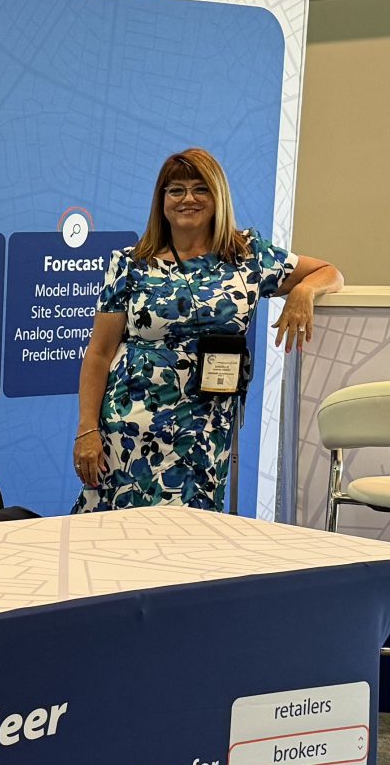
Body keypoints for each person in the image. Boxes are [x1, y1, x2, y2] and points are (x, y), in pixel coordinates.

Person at [72, 147, 341, 513]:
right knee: (120, 530)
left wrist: (304, 291)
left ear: (218, 197)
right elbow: (99, 352)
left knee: (195, 535)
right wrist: (87, 429)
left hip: (207, 428)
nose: (188, 199)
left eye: (200, 189)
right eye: (176, 190)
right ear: (162, 201)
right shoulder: (130, 265)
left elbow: (330, 272)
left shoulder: (248, 255)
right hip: (132, 426)